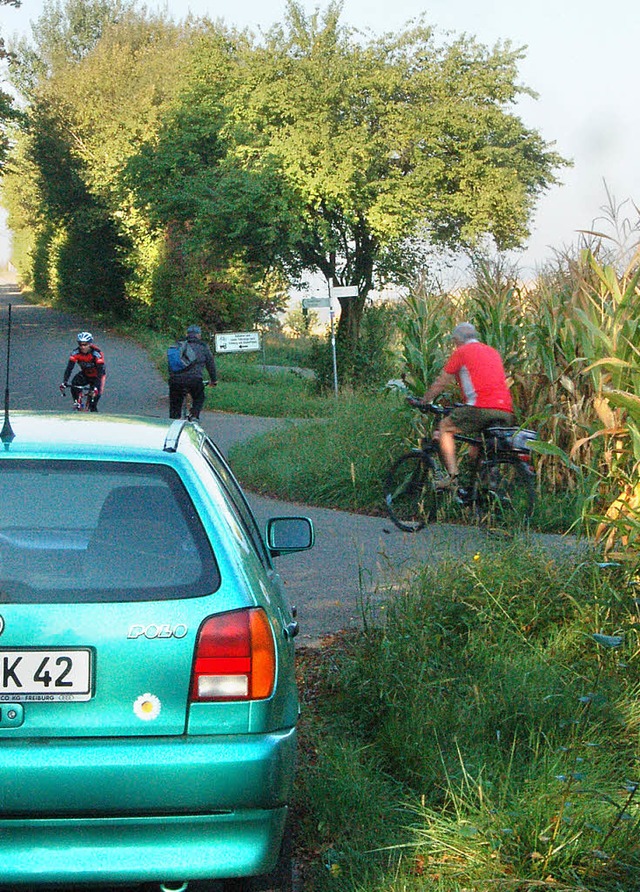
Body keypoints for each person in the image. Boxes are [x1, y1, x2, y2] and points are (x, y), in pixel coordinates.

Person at [414, 322, 513, 489]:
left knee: (445, 427)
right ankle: (482, 491)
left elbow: (441, 382)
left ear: (456, 340)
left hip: (481, 407)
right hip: (505, 410)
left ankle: (452, 478)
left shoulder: (462, 352)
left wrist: (424, 400)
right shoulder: (492, 352)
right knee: (475, 450)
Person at [168, 324, 217, 420]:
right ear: (199, 335)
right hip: (194, 380)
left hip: (176, 380)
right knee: (199, 397)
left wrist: (172, 378)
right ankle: (194, 416)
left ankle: (173, 422)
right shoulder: (203, 347)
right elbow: (210, 364)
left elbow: (171, 364)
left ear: (187, 334)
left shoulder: (178, 345)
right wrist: (213, 380)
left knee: (175, 403)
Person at [60, 331, 106, 412]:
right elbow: (69, 368)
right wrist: (64, 382)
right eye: (80, 344)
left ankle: (93, 411)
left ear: (90, 344)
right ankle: (77, 403)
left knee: (93, 402)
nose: (82, 347)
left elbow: (100, 371)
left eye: (85, 344)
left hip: (97, 376)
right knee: (74, 384)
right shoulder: (75, 353)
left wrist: (95, 387)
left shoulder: (97, 353)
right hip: (86, 374)